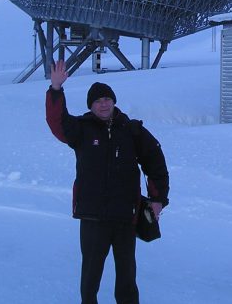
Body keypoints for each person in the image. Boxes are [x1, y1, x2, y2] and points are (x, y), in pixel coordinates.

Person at [45, 59, 170, 304]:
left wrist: (158, 199)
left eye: (107, 99)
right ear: (91, 106)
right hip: (93, 216)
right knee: (90, 275)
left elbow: (155, 160)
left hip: (126, 215)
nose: (103, 104)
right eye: (97, 101)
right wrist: (56, 90)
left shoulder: (131, 130)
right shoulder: (81, 129)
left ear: (114, 101)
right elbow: (57, 123)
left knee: (127, 275)